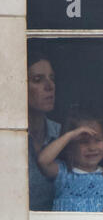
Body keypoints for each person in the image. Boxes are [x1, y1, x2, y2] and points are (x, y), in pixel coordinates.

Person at [37, 111, 103, 212]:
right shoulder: (63, 173)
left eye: (98, 140)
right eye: (83, 142)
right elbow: (43, 161)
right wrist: (71, 135)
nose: (92, 147)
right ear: (70, 147)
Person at [28, 52, 61, 211]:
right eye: (37, 80)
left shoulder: (62, 134)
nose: (49, 86)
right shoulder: (8, 138)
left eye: (52, 78)